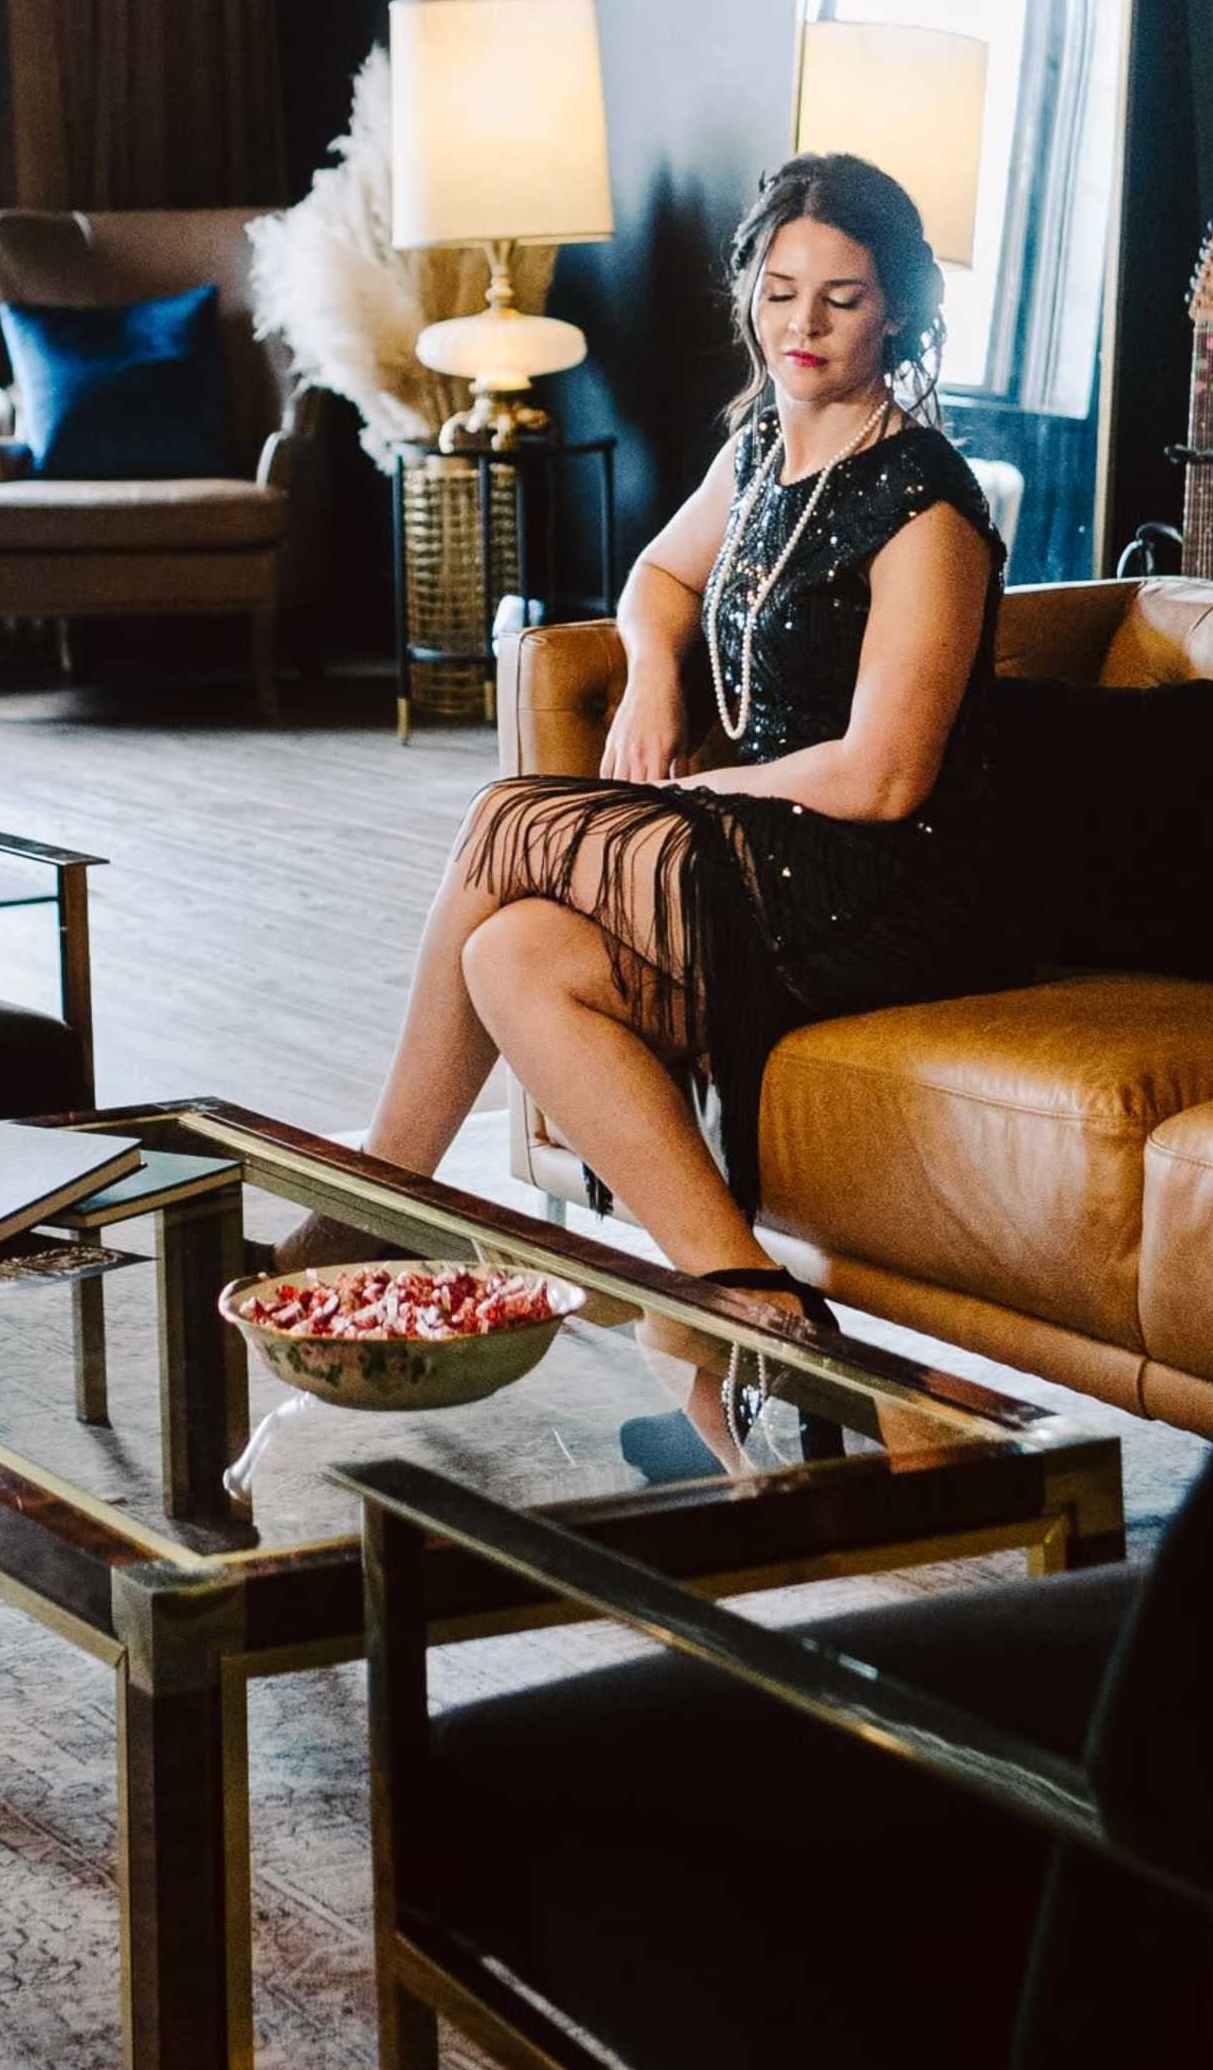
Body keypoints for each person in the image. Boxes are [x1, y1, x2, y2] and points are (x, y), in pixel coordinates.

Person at [362, 147, 1016, 1376]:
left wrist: (699, 791)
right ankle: (747, 1298)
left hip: (894, 879)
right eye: (780, 290)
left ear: (899, 311)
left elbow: (886, 778)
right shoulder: (764, 446)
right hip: (768, 846)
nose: (803, 325)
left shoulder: (926, 501)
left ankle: (376, 1195)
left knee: (513, 819)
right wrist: (655, 668)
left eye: (843, 295)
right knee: (510, 950)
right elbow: (659, 573)